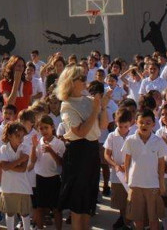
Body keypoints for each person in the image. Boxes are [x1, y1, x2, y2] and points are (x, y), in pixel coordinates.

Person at [55, 65, 110, 230]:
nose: (86, 81)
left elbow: (103, 126)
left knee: (88, 201)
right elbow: (80, 132)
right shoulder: (67, 105)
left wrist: (104, 107)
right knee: (77, 203)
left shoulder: (89, 100)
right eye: (82, 78)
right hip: (78, 153)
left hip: (92, 151)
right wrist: (95, 111)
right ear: (71, 82)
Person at [122, 108, 167, 230]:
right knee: (138, 218)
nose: (144, 125)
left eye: (148, 123)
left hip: (152, 184)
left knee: (153, 218)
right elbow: (127, 159)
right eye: (141, 122)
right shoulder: (130, 140)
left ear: (153, 124)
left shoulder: (158, 141)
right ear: (136, 122)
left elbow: (161, 164)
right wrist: (126, 175)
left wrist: (161, 183)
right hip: (135, 183)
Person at [29, 115, 64, 230]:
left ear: (52, 127)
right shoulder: (38, 142)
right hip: (40, 178)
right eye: (41, 128)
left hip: (54, 179)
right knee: (39, 207)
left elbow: (60, 163)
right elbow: (33, 160)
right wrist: (34, 147)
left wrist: (51, 151)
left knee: (56, 209)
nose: (44, 131)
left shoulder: (59, 143)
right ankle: (39, 228)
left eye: (46, 127)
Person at [103, 108, 134, 230]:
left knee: (131, 201)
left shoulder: (134, 135)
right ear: (116, 122)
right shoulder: (111, 136)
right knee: (121, 202)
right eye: (120, 126)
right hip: (117, 175)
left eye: (125, 126)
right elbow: (106, 154)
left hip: (132, 174)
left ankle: (129, 222)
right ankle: (125, 223)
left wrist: (128, 165)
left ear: (130, 123)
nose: (123, 129)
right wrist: (115, 165)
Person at [0, 122, 31, 230]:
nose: (21, 139)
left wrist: (9, 165)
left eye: (22, 136)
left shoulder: (25, 148)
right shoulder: (3, 148)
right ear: (9, 136)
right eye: (17, 136)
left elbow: (22, 169)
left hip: (23, 186)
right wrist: (20, 159)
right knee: (10, 212)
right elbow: (4, 167)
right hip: (8, 187)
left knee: (25, 213)